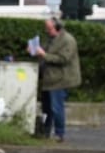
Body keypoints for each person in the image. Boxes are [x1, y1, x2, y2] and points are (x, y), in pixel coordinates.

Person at [31, 14, 80, 142]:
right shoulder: (50, 39)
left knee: (56, 107)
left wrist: (44, 55)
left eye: (49, 28)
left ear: (57, 28)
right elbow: (44, 53)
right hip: (48, 78)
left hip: (60, 79)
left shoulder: (68, 40)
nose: (47, 31)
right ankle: (45, 131)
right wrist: (34, 51)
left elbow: (63, 59)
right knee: (46, 108)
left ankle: (60, 133)